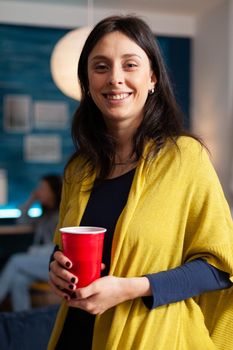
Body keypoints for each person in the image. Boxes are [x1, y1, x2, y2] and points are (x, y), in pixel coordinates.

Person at [48, 15, 233, 350]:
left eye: (130, 64)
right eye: (101, 67)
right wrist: (56, 266)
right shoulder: (78, 169)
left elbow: (220, 268)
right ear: (88, 83)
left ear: (152, 78)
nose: (115, 78)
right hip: (75, 335)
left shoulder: (185, 158)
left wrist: (133, 287)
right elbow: (64, 245)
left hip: (154, 337)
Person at [0, 174, 62, 312]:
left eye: (43, 188)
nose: (39, 191)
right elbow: (21, 220)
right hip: (40, 262)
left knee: (15, 260)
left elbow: (59, 247)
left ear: (54, 191)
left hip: (54, 263)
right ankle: (21, 324)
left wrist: (33, 252)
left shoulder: (61, 215)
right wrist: (31, 199)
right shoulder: (45, 215)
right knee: (18, 280)